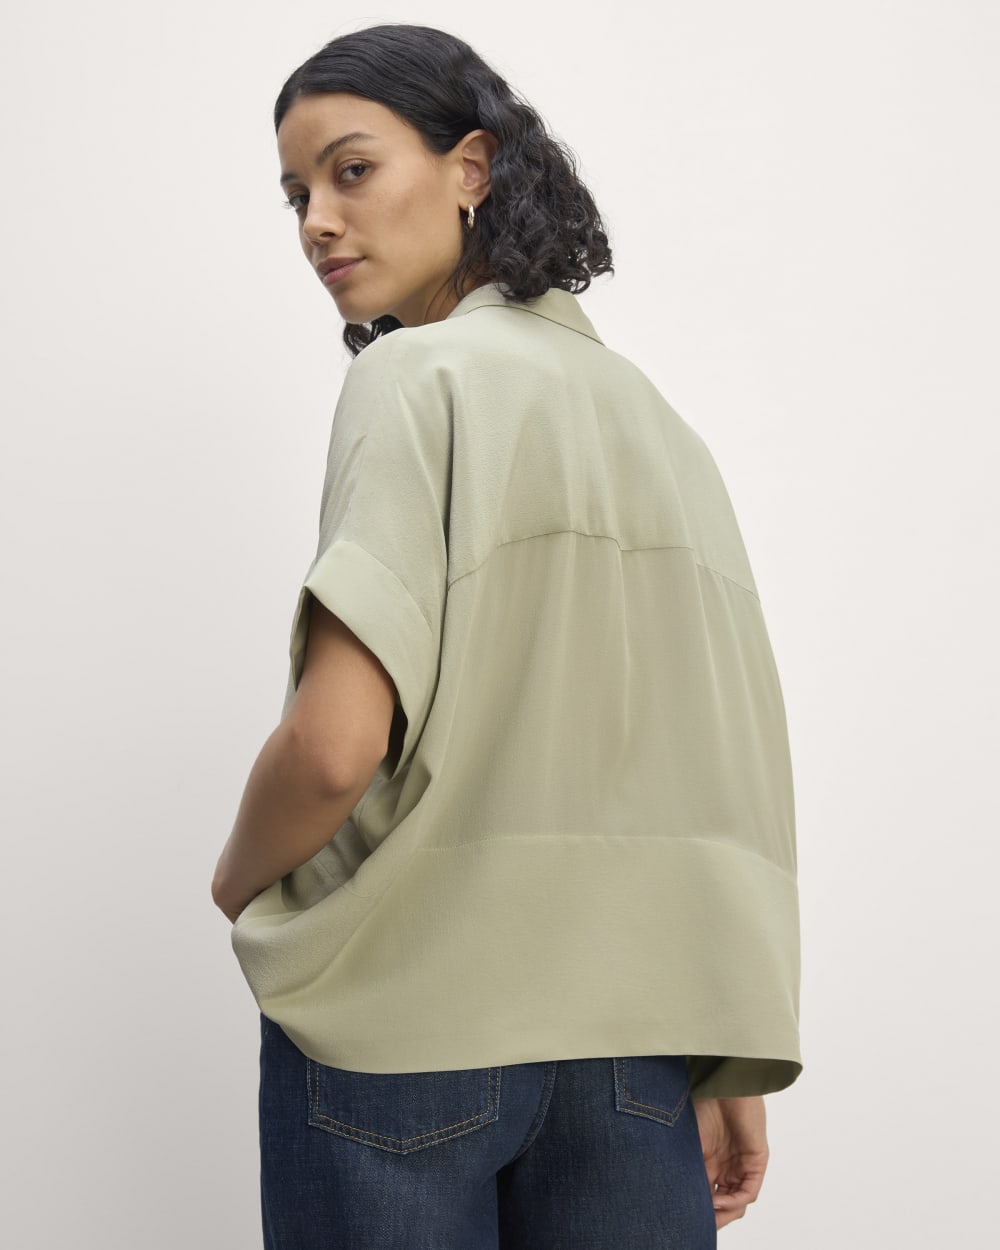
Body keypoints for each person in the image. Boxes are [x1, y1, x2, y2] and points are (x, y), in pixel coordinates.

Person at [211, 22, 801, 1249]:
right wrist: (720, 1042)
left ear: (471, 167)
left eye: (351, 170)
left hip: (404, 1031)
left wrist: (238, 875)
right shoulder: (660, 428)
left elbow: (333, 747)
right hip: (632, 1043)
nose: (318, 220)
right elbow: (709, 766)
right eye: (297, 193)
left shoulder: (411, 377)